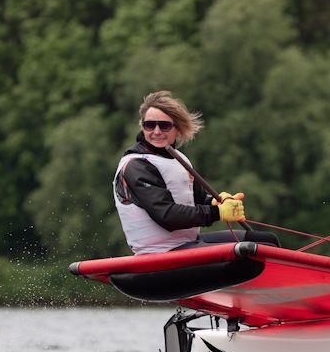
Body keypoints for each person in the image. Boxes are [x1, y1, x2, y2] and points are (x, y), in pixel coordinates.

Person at [114, 91, 278, 254]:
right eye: (149, 125)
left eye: (164, 126)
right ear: (142, 127)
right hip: (159, 253)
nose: (156, 132)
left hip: (187, 243)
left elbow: (196, 199)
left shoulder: (178, 158)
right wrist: (218, 213)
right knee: (252, 252)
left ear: (177, 129)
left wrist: (216, 202)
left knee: (266, 240)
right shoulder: (137, 165)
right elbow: (167, 215)